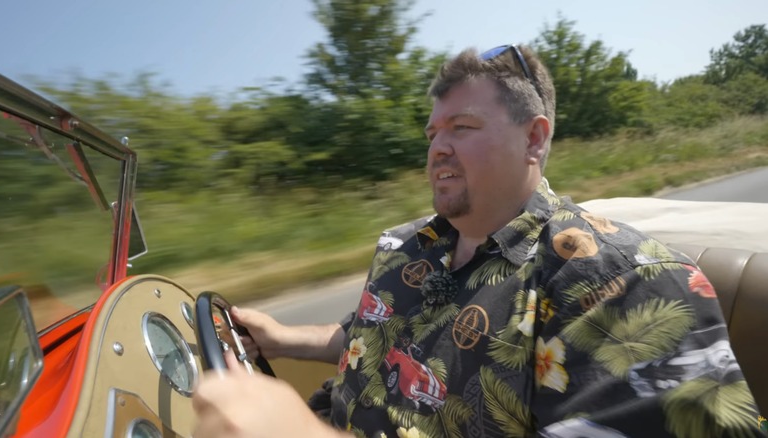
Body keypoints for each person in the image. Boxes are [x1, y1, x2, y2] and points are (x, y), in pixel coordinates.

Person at [192, 44, 764, 437]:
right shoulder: (405, 246)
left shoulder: (620, 279)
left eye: (461, 128)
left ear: (534, 140)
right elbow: (368, 333)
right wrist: (285, 337)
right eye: (433, 133)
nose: (437, 147)